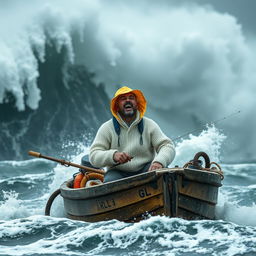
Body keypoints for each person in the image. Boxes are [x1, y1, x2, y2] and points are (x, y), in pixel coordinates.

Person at [89, 86, 175, 182]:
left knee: (165, 174)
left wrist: (159, 162)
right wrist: (113, 155)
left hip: (146, 169)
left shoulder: (149, 124)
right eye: (123, 99)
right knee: (110, 183)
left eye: (131, 98)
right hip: (117, 172)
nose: (128, 101)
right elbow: (93, 156)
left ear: (137, 104)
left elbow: (167, 146)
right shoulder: (106, 128)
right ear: (116, 106)